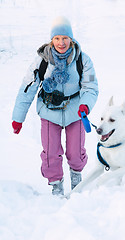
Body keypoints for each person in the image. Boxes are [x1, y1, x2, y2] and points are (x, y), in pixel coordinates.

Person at [12, 16, 98, 196]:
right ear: (51, 39)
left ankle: (76, 179)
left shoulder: (83, 60)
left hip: (75, 110)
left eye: (65, 38)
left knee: (75, 152)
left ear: (71, 39)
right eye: (57, 38)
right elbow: (27, 88)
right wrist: (18, 118)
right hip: (49, 110)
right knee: (51, 153)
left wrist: (85, 105)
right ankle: (56, 187)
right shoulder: (42, 61)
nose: (61, 42)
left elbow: (90, 87)